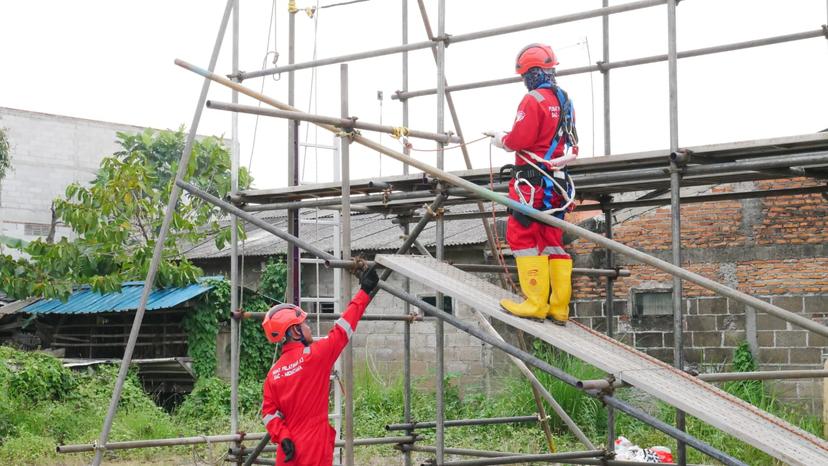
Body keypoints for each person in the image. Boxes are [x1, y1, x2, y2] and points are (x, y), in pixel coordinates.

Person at [489, 43, 579, 324]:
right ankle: (558, 307)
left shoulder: (533, 100)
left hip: (532, 182)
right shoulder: (565, 100)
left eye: (524, 75)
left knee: (523, 237)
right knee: (552, 240)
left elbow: (521, 140)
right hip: (557, 183)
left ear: (531, 73)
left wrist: (501, 140)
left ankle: (535, 303)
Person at [260, 267, 379, 465]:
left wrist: (283, 437)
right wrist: (364, 292)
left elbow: (268, 414)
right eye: (304, 324)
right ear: (295, 332)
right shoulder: (315, 357)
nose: (309, 327)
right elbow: (343, 329)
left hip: (289, 452)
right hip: (313, 448)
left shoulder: (273, 373)